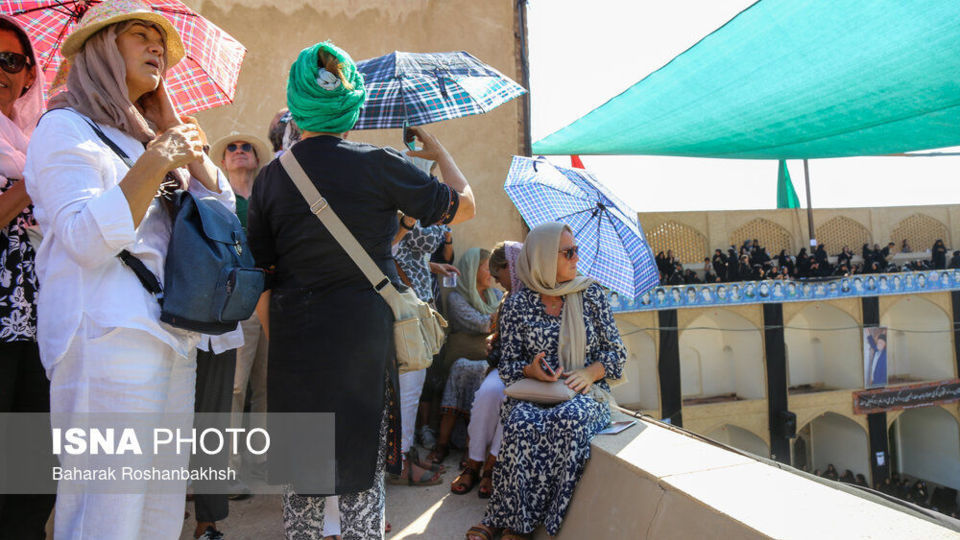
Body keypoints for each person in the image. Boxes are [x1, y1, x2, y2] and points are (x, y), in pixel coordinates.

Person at [247, 40, 475, 538]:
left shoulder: (269, 179)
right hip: (362, 341)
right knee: (361, 479)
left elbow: (260, 277)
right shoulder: (379, 163)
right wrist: (435, 151)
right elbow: (466, 205)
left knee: (302, 487)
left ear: (297, 102)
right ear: (353, 105)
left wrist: (282, 336)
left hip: (295, 343)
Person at [24, 1, 233, 537]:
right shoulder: (63, 127)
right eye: (139, 35)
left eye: (160, 39)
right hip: (104, 334)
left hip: (171, 334)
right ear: (100, 50)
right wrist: (156, 157)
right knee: (106, 512)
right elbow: (84, 240)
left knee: (159, 511)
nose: (157, 46)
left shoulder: (144, 134)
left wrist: (168, 131)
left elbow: (224, 211)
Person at [467, 222, 626, 540]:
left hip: (584, 393)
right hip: (534, 391)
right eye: (568, 252)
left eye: (576, 251)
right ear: (541, 257)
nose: (575, 258)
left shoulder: (591, 294)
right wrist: (530, 370)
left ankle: (521, 525)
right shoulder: (516, 305)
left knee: (568, 420)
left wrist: (588, 372)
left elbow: (617, 354)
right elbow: (508, 367)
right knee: (520, 421)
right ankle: (506, 517)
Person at [0, 15, 57, 540]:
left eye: (11, 60)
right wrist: (34, 178)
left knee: (32, 466)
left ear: (27, 74)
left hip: (37, 323)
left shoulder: (26, 139)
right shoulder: (32, 154)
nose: (1, 69)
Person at [209, 131, 273, 498]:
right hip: (236, 302)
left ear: (255, 157)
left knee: (266, 387)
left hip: (270, 299)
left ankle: (259, 462)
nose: (237, 151)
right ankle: (227, 469)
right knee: (234, 386)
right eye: (231, 147)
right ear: (222, 161)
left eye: (245, 146)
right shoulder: (218, 200)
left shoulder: (265, 199)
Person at [426, 248, 502, 471]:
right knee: (462, 368)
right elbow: (481, 324)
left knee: (481, 372)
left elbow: (498, 324)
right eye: (487, 267)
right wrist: (496, 319)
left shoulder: (496, 296)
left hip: (487, 361)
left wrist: (496, 320)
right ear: (471, 270)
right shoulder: (457, 298)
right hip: (461, 358)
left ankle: (472, 449)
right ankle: (443, 444)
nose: (492, 272)